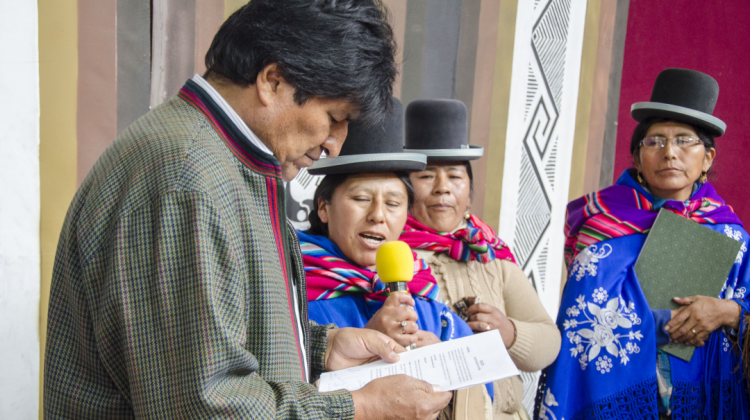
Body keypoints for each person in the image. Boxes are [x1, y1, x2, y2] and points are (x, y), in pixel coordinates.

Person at [43, 2, 453, 419]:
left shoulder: (221, 161)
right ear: (272, 81)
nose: (335, 144)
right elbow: (205, 405)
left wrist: (321, 348)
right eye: (333, 118)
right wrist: (360, 408)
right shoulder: (187, 178)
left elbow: (212, 340)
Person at [536, 68, 750, 420]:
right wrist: (667, 323)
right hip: (619, 402)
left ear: (707, 158)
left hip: (708, 401)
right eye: (655, 141)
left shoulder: (729, 234)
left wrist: (726, 312)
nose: (669, 152)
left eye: (684, 140)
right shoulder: (600, 225)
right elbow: (582, 320)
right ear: (636, 157)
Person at [300, 97, 494, 420]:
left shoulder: (424, 294)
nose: (378, 216)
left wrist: (442, 359)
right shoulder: (292, 288)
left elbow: (484, 389)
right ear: (323, 206)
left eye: (393, 203)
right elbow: (276, 394)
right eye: (361, 198)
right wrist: (370, 347)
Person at [399, 99, 561, 420]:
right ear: (404, 188)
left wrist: (509, 333)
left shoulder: (490, 253)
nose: (442, 188)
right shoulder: (393, 258)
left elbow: (549, 342)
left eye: (455, 177)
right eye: (427, 176)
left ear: (469, 192)